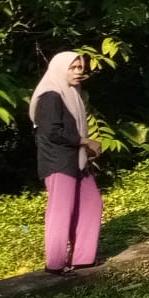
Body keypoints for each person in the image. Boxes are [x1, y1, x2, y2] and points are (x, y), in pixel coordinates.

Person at [31, 52, 103, 274]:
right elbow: (51, 132)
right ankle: (55, 263)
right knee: (61, 211)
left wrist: (84, 147)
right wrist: (83, 141)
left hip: (76, 159)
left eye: (81, 67)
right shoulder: (50, 95)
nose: (79, 71)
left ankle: (83, 258)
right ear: (60, 68)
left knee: (92, 203)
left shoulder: (71, 93)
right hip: (58, 161)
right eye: (73, 67)